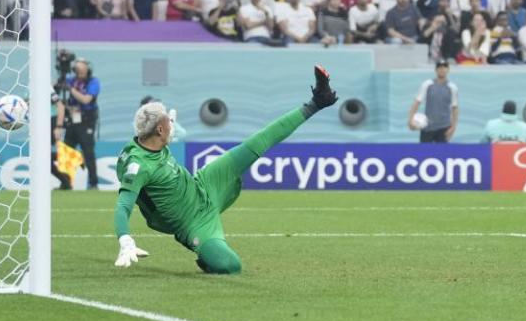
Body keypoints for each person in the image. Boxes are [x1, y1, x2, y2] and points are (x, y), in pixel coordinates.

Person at [114, 67, 338, 272]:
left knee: (257, 142)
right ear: (160, 130)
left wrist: (166, 120)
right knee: (231, 266)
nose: (173, 128)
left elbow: (154, 141)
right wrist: (125, 240)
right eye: (169, 124)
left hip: (204, 184)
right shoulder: (138, 166)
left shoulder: (150, 140)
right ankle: (206, 255)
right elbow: (124, 205)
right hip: (193, 223)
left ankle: (316, 102)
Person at [63, 58, 101, 190]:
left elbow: (86, 100)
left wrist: (71, 89)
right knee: (67, 150)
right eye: (78, 70)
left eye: (82, 69)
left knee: (88, 151)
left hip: (87, 120)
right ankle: (65, 182)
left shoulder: (93, 82)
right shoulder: (70, 80)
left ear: (88, 69)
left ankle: (93, 183)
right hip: (72, 118)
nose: (80, 72)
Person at [408, 61, 459, 143]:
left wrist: (453, 128)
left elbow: (455, 108)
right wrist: (410, 120)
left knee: (442, 155)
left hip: (444, 128)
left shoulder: (452, 88)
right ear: (436, 69)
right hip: (427, 127)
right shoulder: (427, 84)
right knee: (424, 154)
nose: (442, 69)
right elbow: (417, 103)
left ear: (448, 69)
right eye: (440, 67)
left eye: (444, 67)